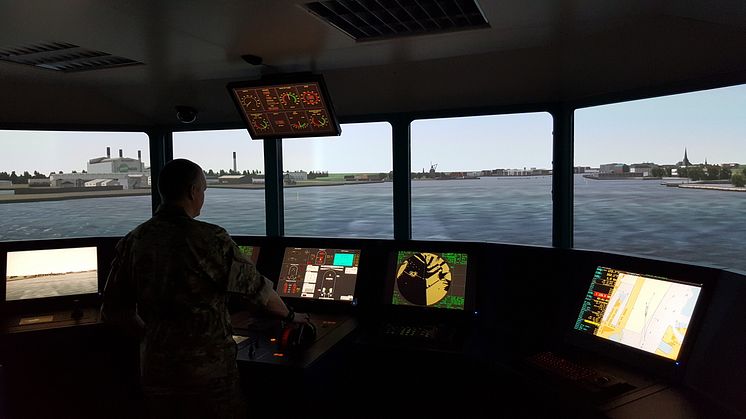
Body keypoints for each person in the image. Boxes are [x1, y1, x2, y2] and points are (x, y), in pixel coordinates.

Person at [101, 158, 309, 419]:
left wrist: (151, 337)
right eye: (203, 190)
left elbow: (113, 311)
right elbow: (260, 292)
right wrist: (292, 317)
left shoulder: (134, 240)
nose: (203, 197)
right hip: (208, 377)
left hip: (156, 371)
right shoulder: (210, 239)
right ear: (192, 192)